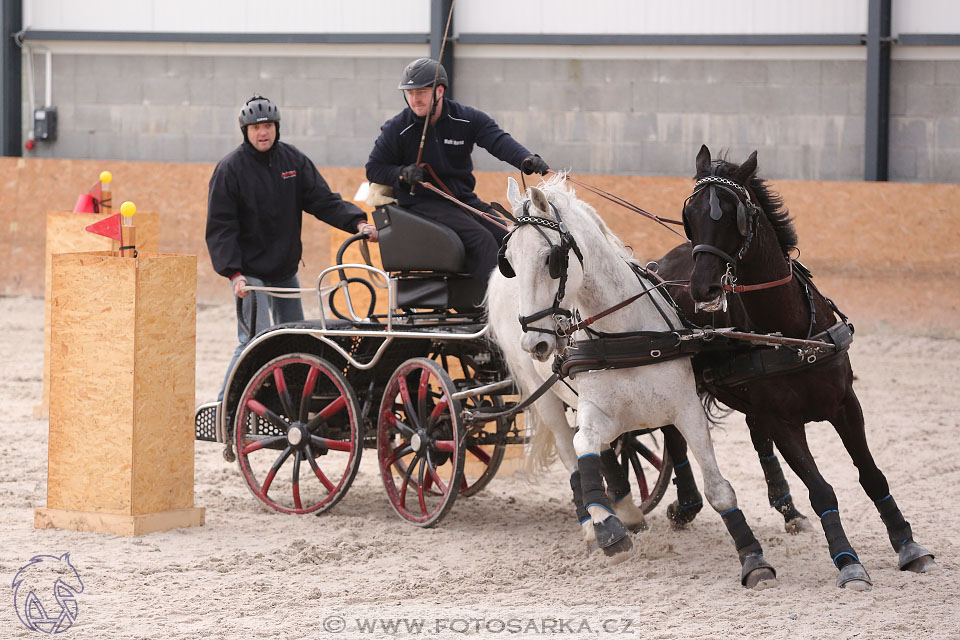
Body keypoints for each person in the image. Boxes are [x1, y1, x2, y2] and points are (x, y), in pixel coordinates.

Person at [206, 94, 377, 400]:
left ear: (277, 127)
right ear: (245, 130)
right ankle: (225, 407)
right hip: (250, 274)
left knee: (294, 342)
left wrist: (358, 223)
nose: (263, 133)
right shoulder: (230, 170)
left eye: (269, 126)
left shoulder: (293, 161)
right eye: (256, 127)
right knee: (255, 343)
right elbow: (221, 227)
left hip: (284, 270)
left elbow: (324, 201)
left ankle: (288, 405)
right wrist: (234, 274)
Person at [365, 58, 550, 282]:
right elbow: (374, 169)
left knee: (507, 235)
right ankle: (488, 311)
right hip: (421, 204)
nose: (415, 99)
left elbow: (498, 141)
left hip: (463, 199)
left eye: (421, 92)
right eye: (410, 93)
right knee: (481, 240)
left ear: (440, 91)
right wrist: (402, 174)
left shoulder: (466, 118)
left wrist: (526, 159)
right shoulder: (397, 128)